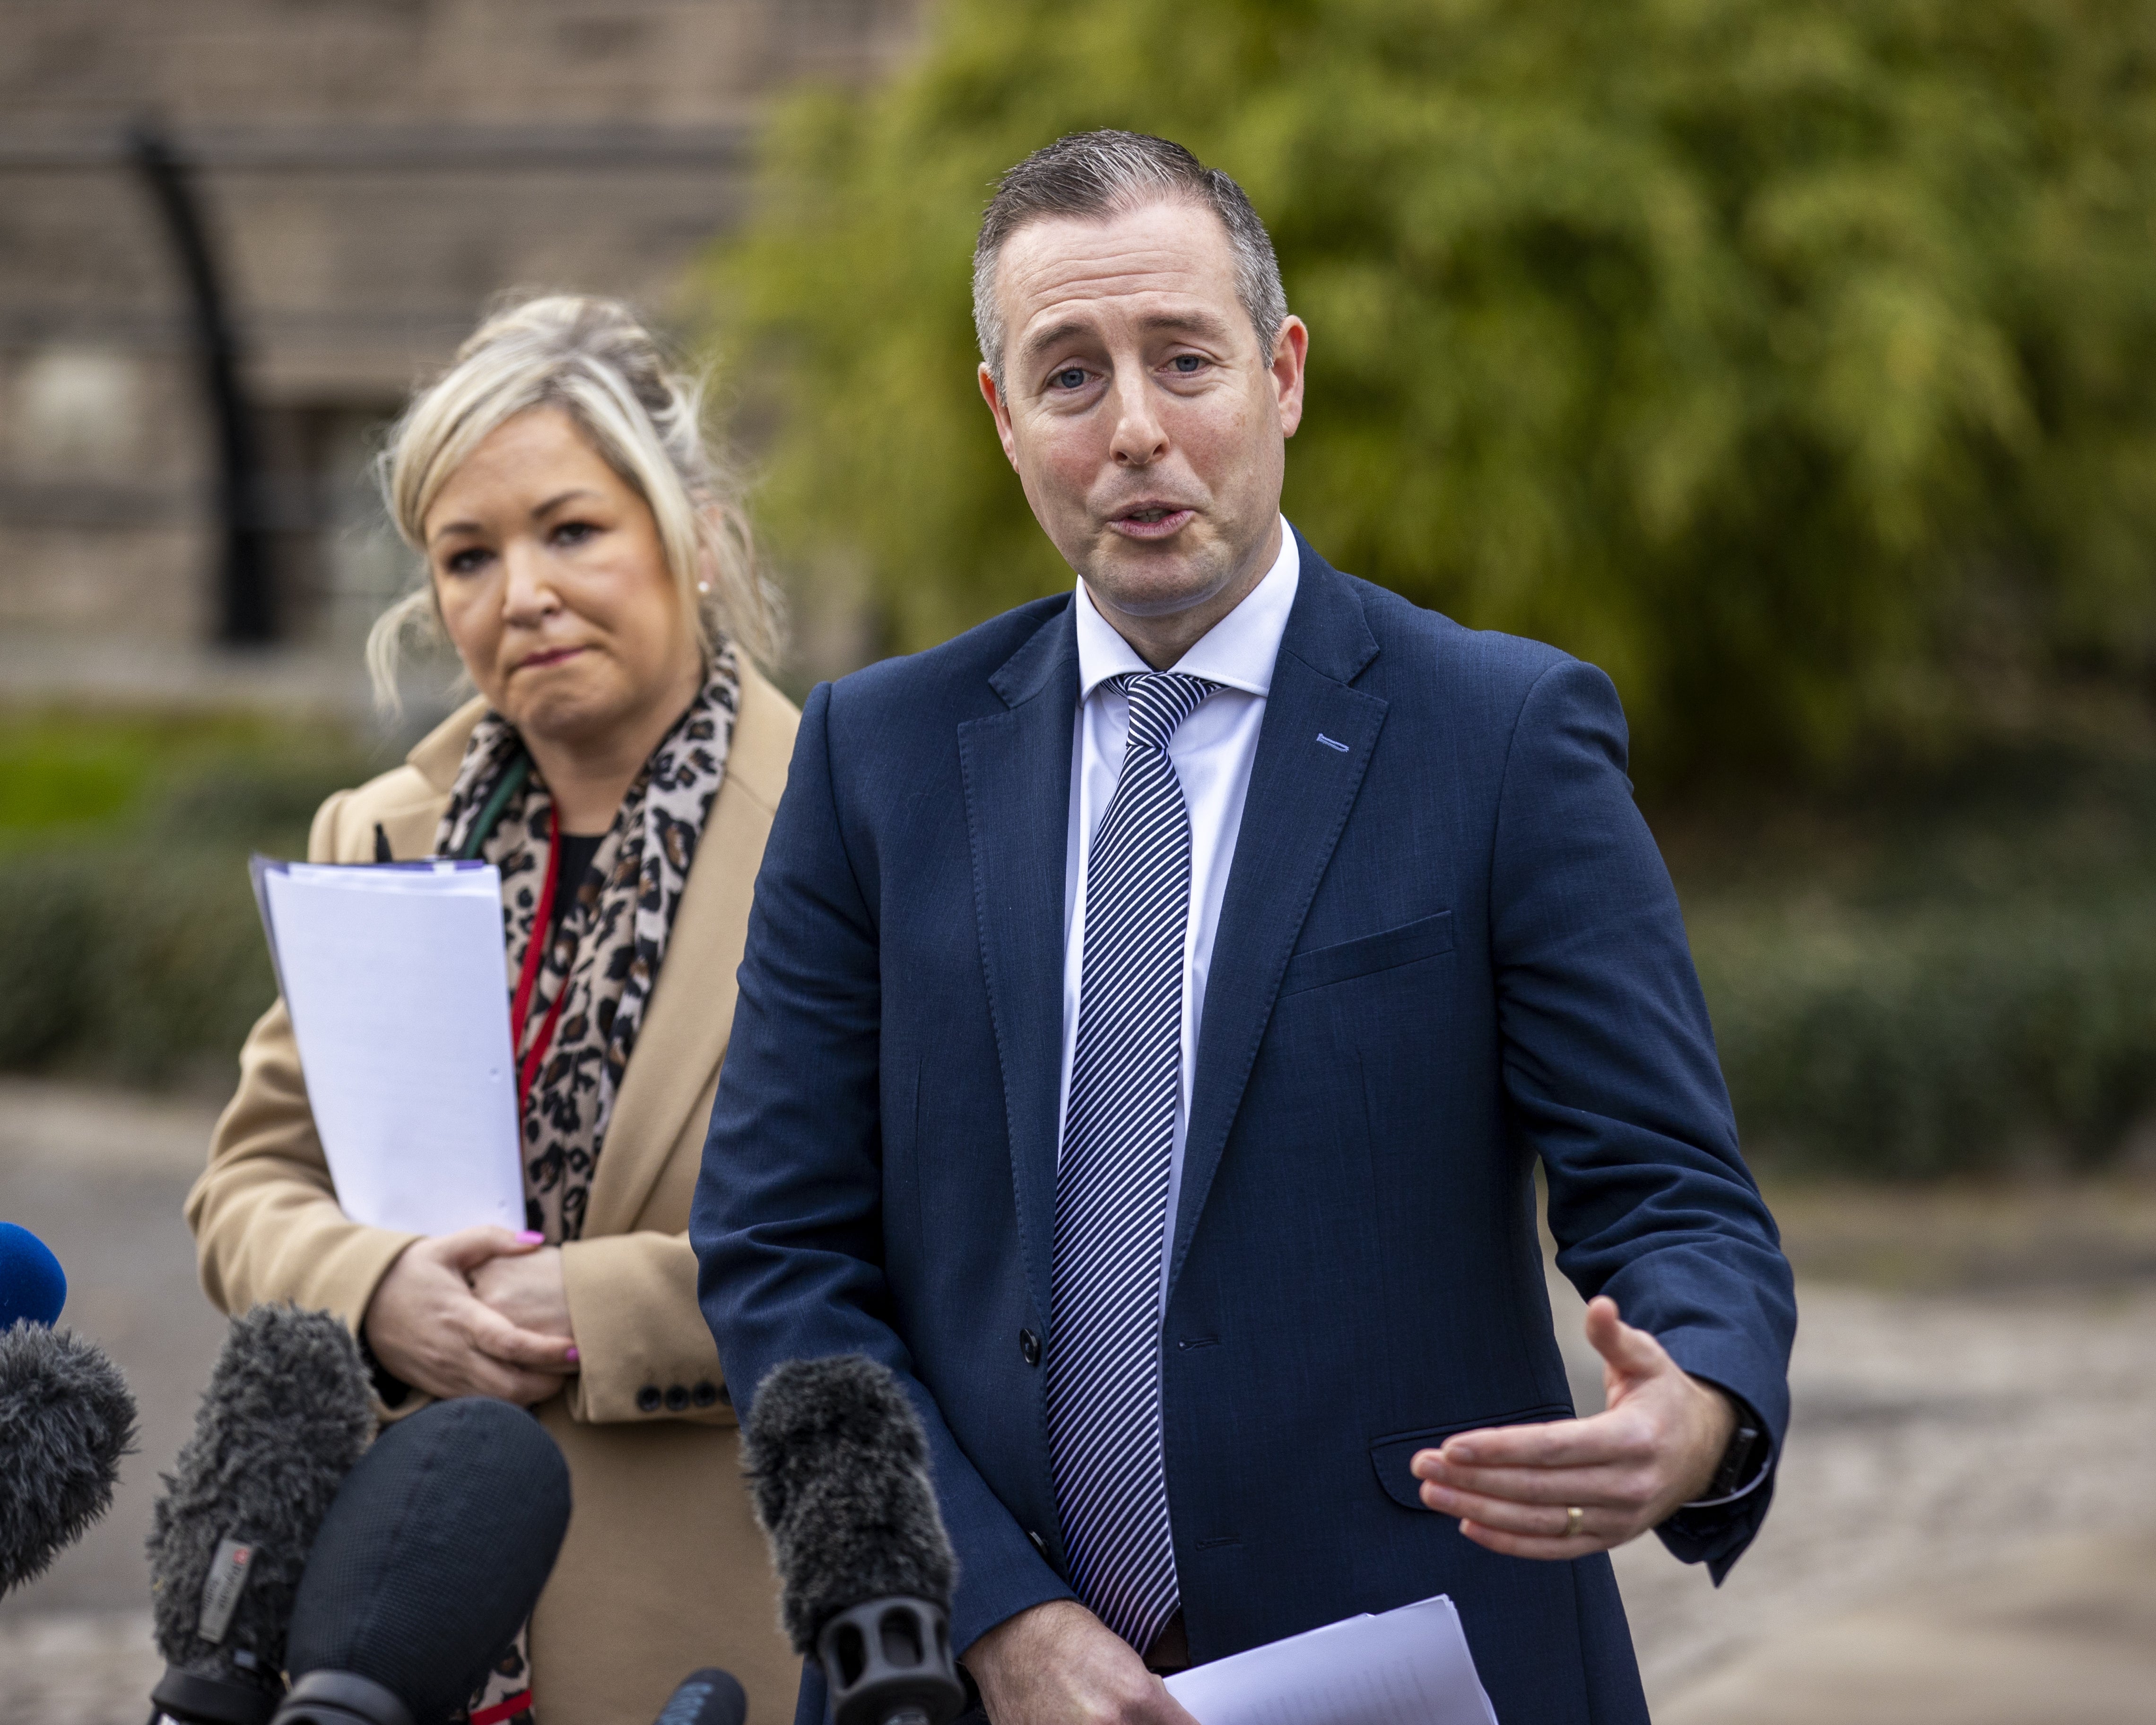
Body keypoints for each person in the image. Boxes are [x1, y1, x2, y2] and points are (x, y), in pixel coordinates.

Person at [693, 132, 1796, 1725]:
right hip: (963, 1685)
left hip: (1418, 1659)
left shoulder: (1498, 738)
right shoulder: (876, 758)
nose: (1138, 429)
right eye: (1071, 376)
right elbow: (780, 1253)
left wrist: (1690, 1406)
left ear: (1281, 375)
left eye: (1184, 359)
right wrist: (991, 1618)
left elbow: (1673, 1193)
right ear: (1004, 417)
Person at [188, 296, 801, 1725]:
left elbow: (925, 1236)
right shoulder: (379, 834)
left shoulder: (845, 830)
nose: (520, 589)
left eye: (570, 529)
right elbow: (247, 1186)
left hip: (708, 1629)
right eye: (468, 556)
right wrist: (370, 1286)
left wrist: (587, 1309)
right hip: (392, 1634)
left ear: (694, 538)